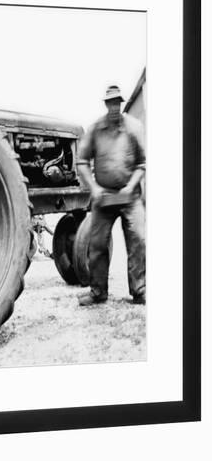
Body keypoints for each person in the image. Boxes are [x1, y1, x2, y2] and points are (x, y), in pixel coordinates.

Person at [76, 85, 146, 306]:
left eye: (117, 102)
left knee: (139, 240)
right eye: (110, 103)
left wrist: (130, 185)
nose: (114, 106)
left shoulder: (134, 127)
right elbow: (81, 162)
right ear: (106, 104)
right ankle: (98, 292)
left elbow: (143, 163)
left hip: (131, 196)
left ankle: (140, 290)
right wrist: (94, 188)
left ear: (121, 103)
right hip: (103, 196)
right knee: (96, 243)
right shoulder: (95, 129)